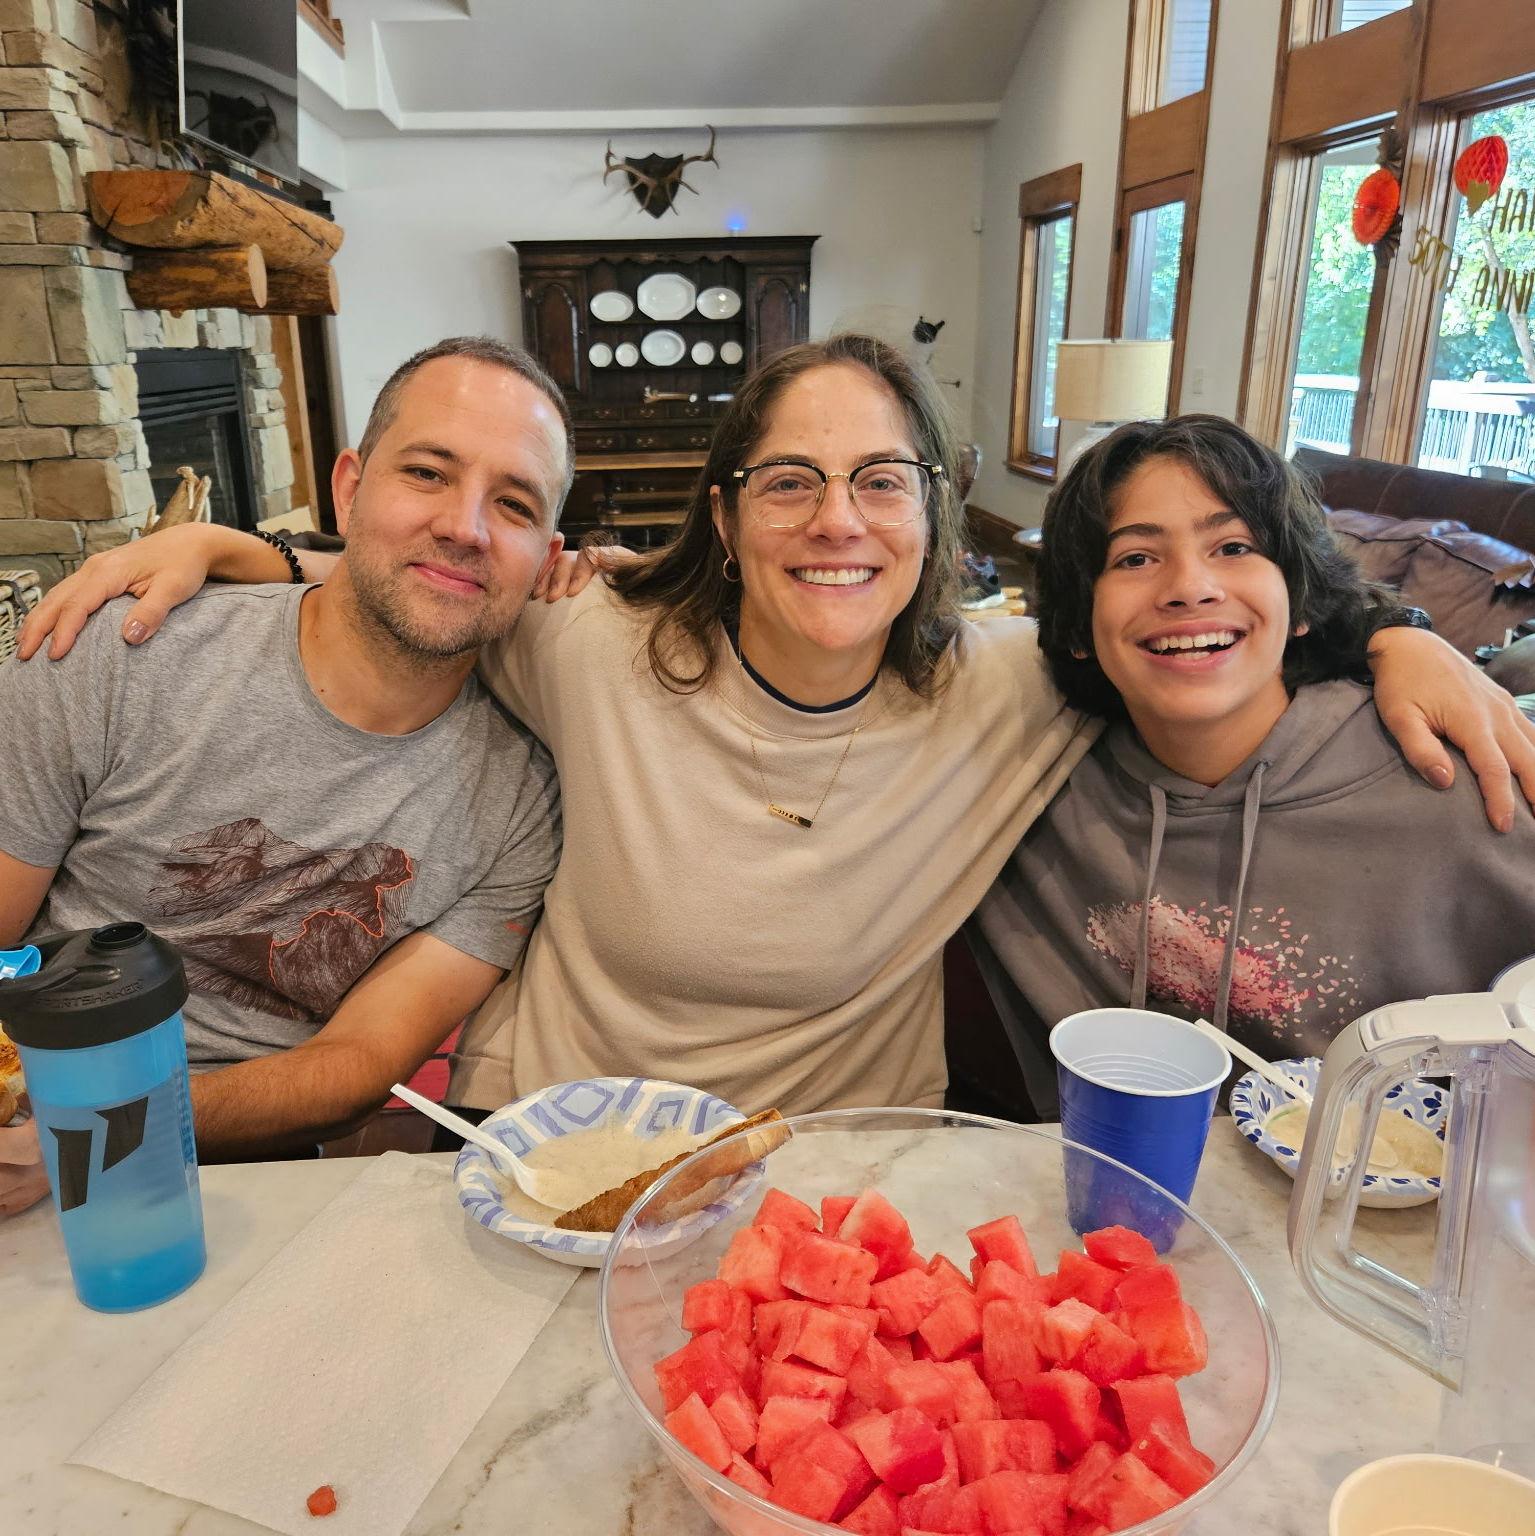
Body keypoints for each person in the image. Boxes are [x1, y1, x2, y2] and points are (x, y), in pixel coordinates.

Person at [18, 338, 1535, 1127]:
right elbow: (438, 576)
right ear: (726, 514)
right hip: (547, 1140)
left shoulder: (1013, 682)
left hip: (849, 1164)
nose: (836, 521)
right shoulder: (590, 639)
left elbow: (1189, 621)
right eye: (789, 482)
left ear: (935, 513)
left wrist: (1391, 636)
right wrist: (236, 551)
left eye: (881, 480)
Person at [0, 336, 568, 1215]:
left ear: (547, 559)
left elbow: (353, 1068)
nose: (465, 526)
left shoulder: (523, 803)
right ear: (349, 488)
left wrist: (107, 1126)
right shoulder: (119, 651)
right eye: (426, 473)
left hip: (242, 1172)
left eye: (515, 504)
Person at [967, 415, 1535, 1114]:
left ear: (1299, 602)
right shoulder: (1029, 773)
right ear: (1078, 623)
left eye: (1234, 547)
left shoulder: (1454, 783)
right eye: (1134, 558)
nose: (1190, 587)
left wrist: (1400, 632)